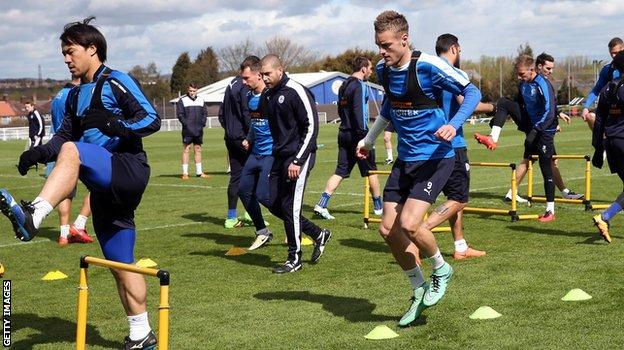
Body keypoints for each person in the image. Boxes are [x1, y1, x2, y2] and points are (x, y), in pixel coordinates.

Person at [0, 17, 160, 348]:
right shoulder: (73, 97)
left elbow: (151, 118)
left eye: (70, 52)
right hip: (104, 186)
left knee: (74, 151)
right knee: (120, 264)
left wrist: (116, 125)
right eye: (63, 54)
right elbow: (63, 138)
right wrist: (38, 153)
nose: (66, 59)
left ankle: (35, 215)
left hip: (128, 169)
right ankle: (141, 334)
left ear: (92, 49)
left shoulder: (117, 81)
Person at [356, 11, 481, 326]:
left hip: (437, 156)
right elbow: (388, 108)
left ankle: (441, 268)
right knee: (387, 229)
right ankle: (418, 288)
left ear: (404, 39)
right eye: (378, 45)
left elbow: (473, 92)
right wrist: (369, 140)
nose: (381, 52)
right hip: (406, 158)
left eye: (386, 45)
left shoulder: (428, 65)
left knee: (411, 224)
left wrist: (454, 125)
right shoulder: (384, 71)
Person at [260, 54, 331, 274]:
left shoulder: (296, 91)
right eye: (262, 74)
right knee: (272, 202)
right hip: (279, 157)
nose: (265, 78)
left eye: (268, 74)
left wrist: (298, 160)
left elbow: (311, 127)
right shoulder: (268, 95)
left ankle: (294, 259)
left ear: (280, 70)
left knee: (290, 207)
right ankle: (318, 233)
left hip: (299, 157)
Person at [422, 33, 486, 260]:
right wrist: (496, 107)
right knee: (459, 199)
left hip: (427, 144)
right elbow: (467, 103)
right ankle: (421, 231)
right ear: (455, 49)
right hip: (453, 143)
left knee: (451, 197)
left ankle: (460, 247)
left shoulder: (426, 72)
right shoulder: (456, 74)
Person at [498, 53, 584, 202]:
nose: (550, 71)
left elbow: (547, 104)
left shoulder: (541, 83)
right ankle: (514, 192)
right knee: (533, 160)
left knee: (541, 160)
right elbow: (532, 105)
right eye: (548, 68)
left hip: (542, 126)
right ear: (538, 67)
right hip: (538, 127)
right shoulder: (530, 82)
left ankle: (562, 191)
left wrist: (557, 115)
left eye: (552, 68)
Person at [314, 56, 383, 220]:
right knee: (371, 170)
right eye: (370, 68)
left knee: (341, 170)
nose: (371, 72)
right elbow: (360, 113)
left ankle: (321, 204)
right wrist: (364, 139)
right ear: (363, 69)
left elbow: (340, 110)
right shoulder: (359, 86)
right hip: (357, 135)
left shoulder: (343, 85)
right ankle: (379, 208)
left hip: (343, 132)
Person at [48, 75, 94, 246]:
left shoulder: (59, 95)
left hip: (60, 147)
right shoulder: (78, 95)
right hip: (78, 148)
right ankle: (79, 224)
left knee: (65, 192)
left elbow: (55, 122)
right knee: (100, 186)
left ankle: (63, 234)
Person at [237, 56, 274, 250]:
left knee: (265, 196)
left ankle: (296, 224)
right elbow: (254, 121)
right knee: (243, 190)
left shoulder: (272, 96)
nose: (243, 82)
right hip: (256, 153)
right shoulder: (250, 98)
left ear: (259, 75)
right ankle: (262, 231)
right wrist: (249, 138)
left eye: (246, 78)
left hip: (271, 153)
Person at [591, 51, 624, 243]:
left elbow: (600, 120)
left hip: (611, 143)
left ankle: (604, 218)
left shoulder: (607, 89)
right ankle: (604, 217)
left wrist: (598, 149)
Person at [218, 67, 251, 228]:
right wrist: (249, 134)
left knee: (236, 176)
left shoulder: (230, 84)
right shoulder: (244, 87)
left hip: (230, 137)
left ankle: (231, 217)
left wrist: (229, 129)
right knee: (254, 175)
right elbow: (246, 113)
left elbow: (220, 114)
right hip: (243, 138)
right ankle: (250, 213)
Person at [582, 37, 624, 130]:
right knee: (590, 117)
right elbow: (596, 90)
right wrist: (586, 107)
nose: (614, 56)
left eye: (616, 53)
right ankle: (602, 142)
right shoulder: (607, 70)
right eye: (612, 53)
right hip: (612, 110)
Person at [177, 82, 209, 179]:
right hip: (187, 130)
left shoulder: (201, 100)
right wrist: (186, 124)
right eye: (190, 91)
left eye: (194, 91)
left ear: (197, 90)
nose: (192, 93)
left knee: (198, 149)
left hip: (198, 129)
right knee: (186, 149)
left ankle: (199, 172)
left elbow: (204, 113)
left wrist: (202, 124)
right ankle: (185, 173)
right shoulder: (182, 100)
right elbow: (180, 114)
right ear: (188, 90)